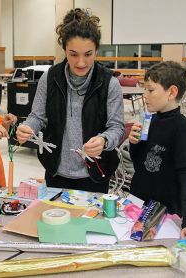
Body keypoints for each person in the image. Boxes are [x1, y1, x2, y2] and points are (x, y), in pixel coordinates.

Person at [16, 8, 124, 193]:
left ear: (96, 50)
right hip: (56, 170)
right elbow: (38, 116)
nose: (81, 62)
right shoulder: (50, 78)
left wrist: (104, 140)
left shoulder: (109, 83)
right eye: (73, 54)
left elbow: (117, 127)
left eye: (88, 54)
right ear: (64, 49)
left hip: (95, 174)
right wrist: (28, 127)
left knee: (90, 222)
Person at [128, 61, 186, 241]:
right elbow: (139, 164)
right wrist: (134, 144)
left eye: (150, 90)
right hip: (139, 205)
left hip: (164, 213)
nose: (145, 95)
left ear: (172, 92)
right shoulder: (149, 121)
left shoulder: (183, 130)